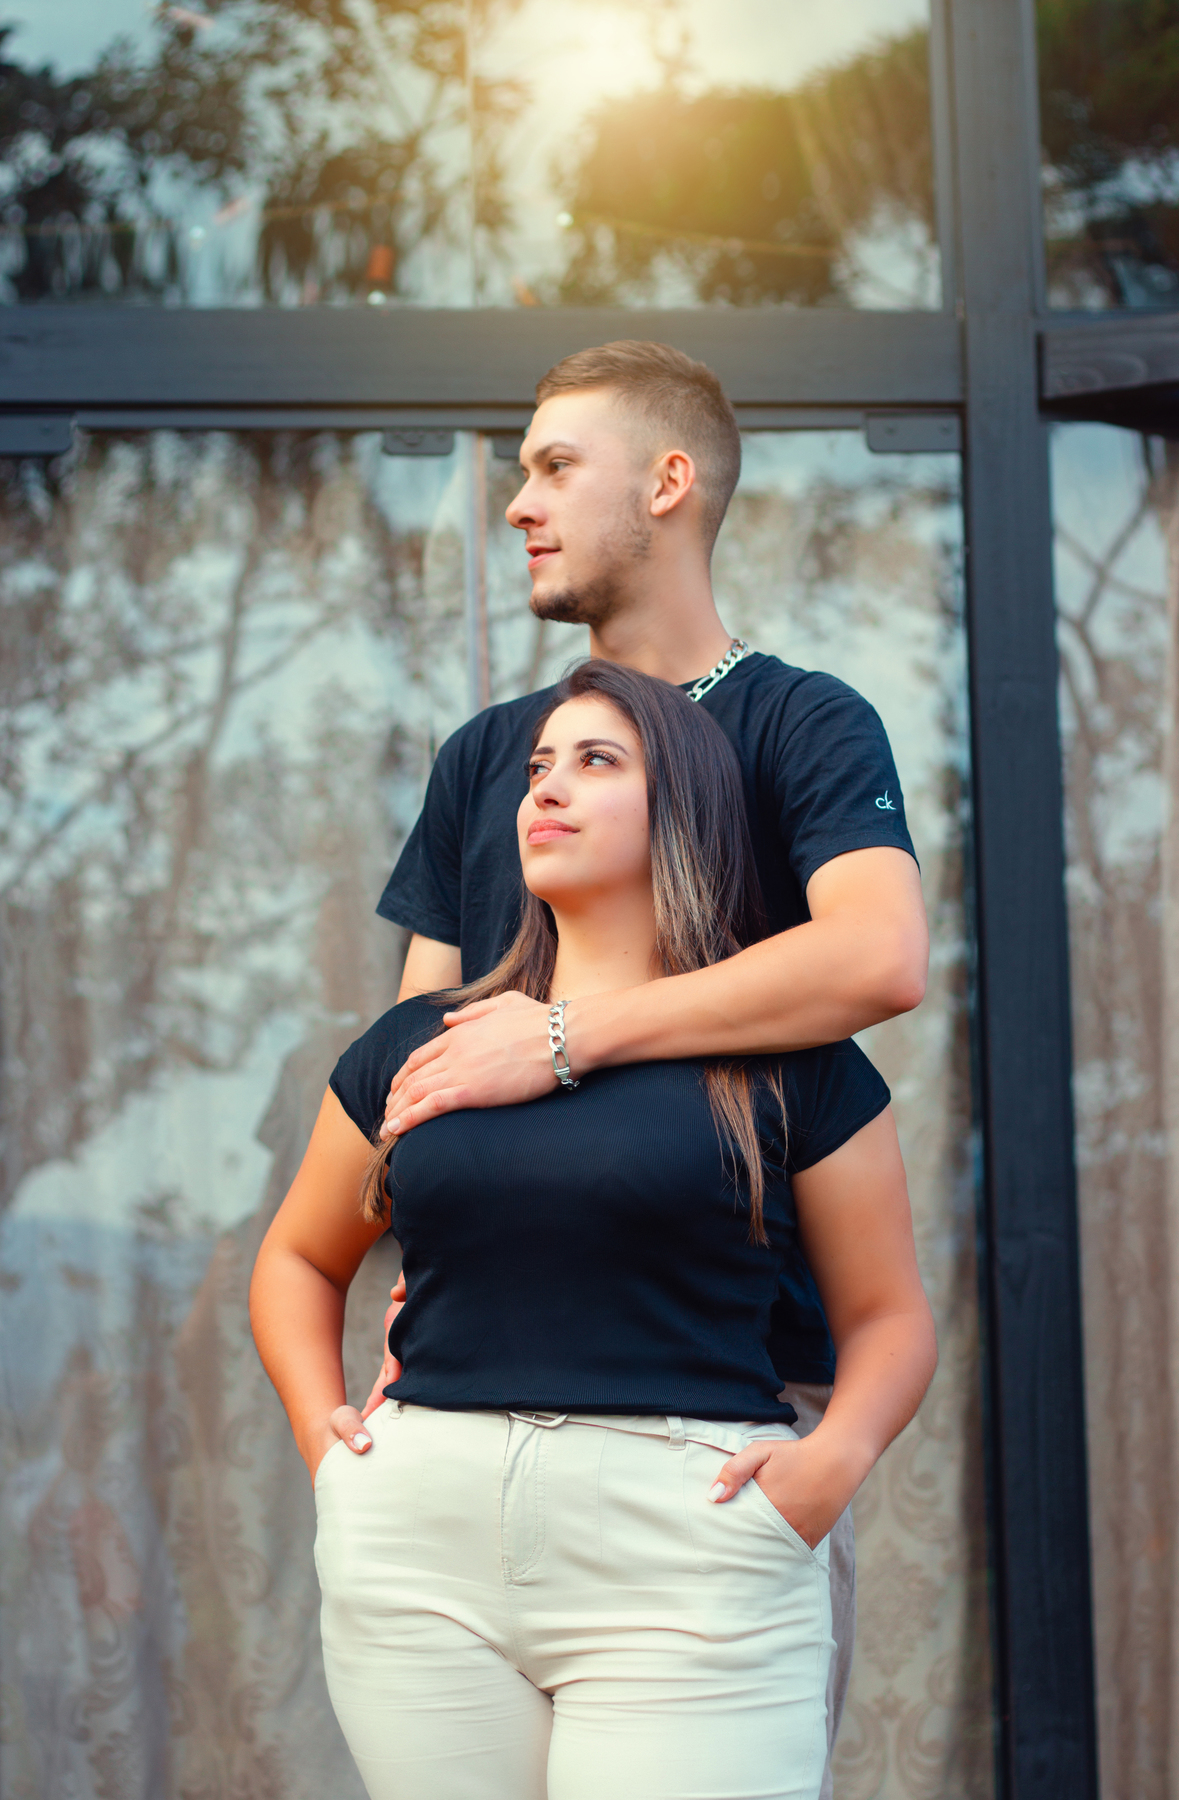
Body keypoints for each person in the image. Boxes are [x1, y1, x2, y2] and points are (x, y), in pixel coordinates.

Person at [347, 339, 928, 1793]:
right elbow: (423, 1052)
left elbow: (877, 957)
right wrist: (421, 1270)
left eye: (556, 467)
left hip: (723, 1421)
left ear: (668, 483)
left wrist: (568, 1039)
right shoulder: (493, 759)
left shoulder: (801, 721)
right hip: (466, 1438)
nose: (517, 503)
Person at [249, 659, 937, 1800]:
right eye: (537, 768)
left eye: (596, 761)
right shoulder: (424, 1042)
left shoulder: (793, 1062)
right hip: (419, 1553)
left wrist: (832, 1465)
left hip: (692, 1553)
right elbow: (298, 1258)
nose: (547, 789)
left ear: (684, 810)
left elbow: (890, 1316)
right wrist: (330, 1458)